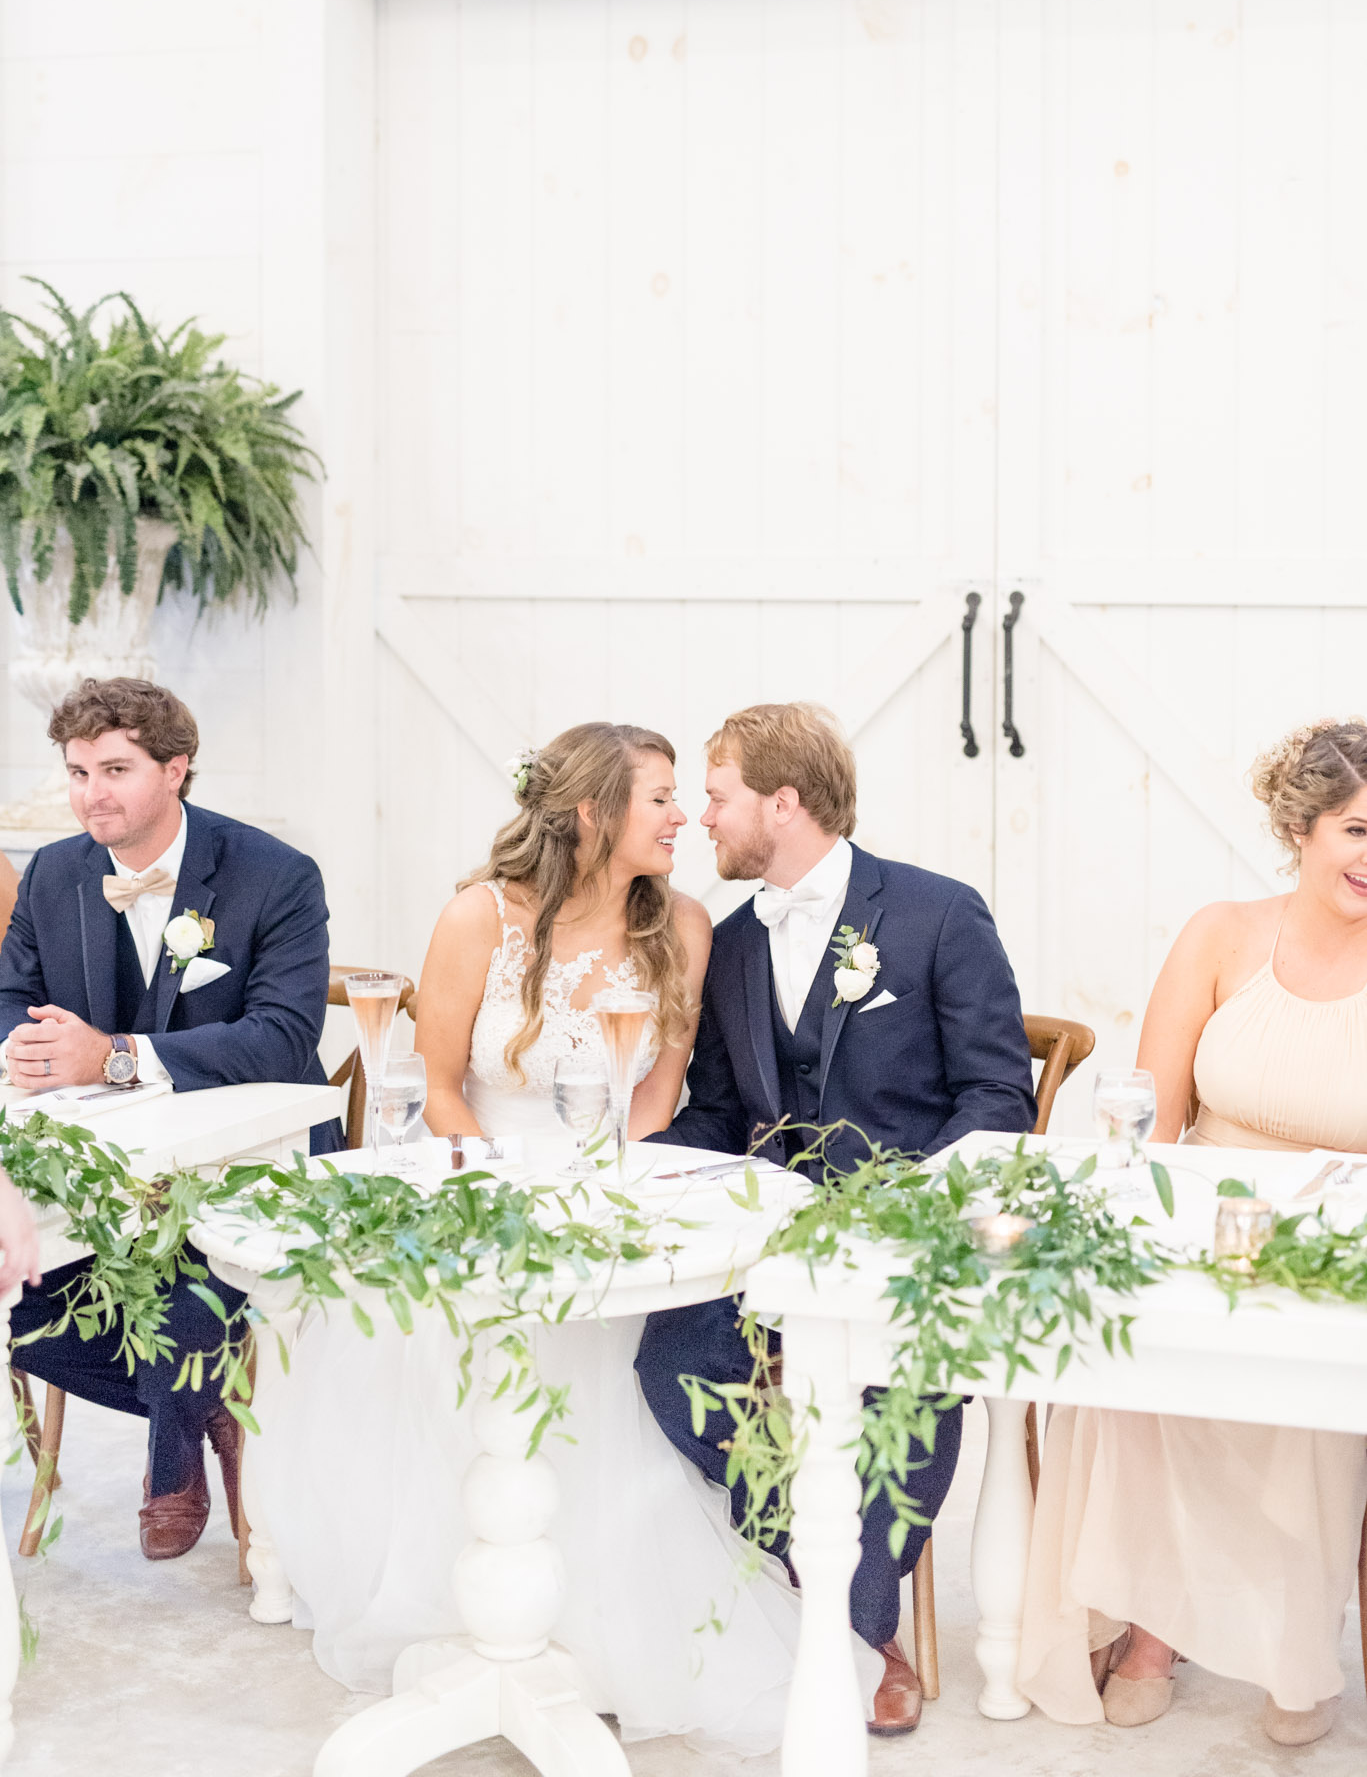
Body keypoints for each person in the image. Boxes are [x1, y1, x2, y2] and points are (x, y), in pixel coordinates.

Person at [245, 722, 862, 1751]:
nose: (682, 818)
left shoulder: (687, 926)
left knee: (610, 1395)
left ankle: (597, 1629)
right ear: (590, 813)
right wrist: (505, 1201)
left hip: (613, 1202)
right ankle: (479, 1623)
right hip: (483, 1192)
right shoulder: (478, 916)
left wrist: (596, 1205)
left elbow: (659, 1095)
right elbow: (439, 1085)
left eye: (682, 797)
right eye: (660, 798)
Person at [634, 701, 1036, 1735]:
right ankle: (820, 1584)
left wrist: (911, 1207)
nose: (701, 818)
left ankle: (853, 1632)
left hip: (906, 1238)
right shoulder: (728, 942)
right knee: (668, 1364)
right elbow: (723, 1111)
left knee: (903, 1390)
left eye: (716, 796)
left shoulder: (939, 914)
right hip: (762, 1240)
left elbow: (996, 1097)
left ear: (783, 799)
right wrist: (623, 1167)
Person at [1019, 717, 1367, 1746]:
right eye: (1356, 829)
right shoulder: (1220, 933)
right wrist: (1147, 1238)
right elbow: (1147, 1115)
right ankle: (1152, 1631)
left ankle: (1291, 1644)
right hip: (1199, 1218)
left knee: (1303, 1379)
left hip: (1337, 1245)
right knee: (1133, 1357)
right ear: (1299, 826)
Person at [0, 676, 336, 1561]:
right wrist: (25, 1049)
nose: (89, 795)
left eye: (114, 769)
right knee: (28, 1305)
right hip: (110, 1162)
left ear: (177, 769)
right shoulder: (55, 873)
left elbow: (284, 1035)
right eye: (76, 773)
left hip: (257, 1154)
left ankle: (170, 1463)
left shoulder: (277, 875)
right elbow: (10, 998)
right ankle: (195, 1405)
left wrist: (112, 1056)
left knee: (188, 1268)